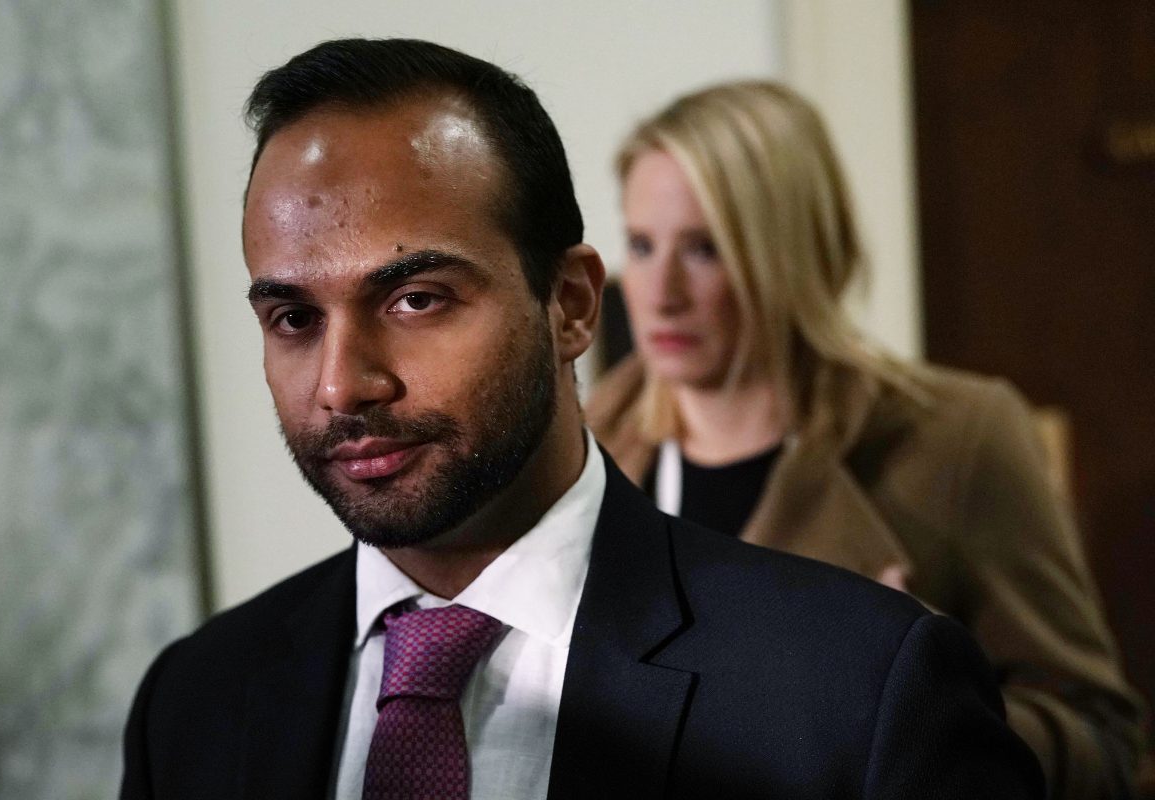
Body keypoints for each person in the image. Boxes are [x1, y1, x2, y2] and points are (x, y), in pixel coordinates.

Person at [120, 39, 1045, 799]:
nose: (342, 385)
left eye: (416, 301)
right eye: (293, 319)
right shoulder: (193, 704)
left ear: (569, 305)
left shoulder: (860, 687)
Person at [587, 80, 1146, 799]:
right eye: (640, 244)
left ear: (790, 252)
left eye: (705, 249)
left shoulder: (958, 437)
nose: (658, 293)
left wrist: (922, 697)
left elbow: (1105, 742)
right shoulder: (584, 447)